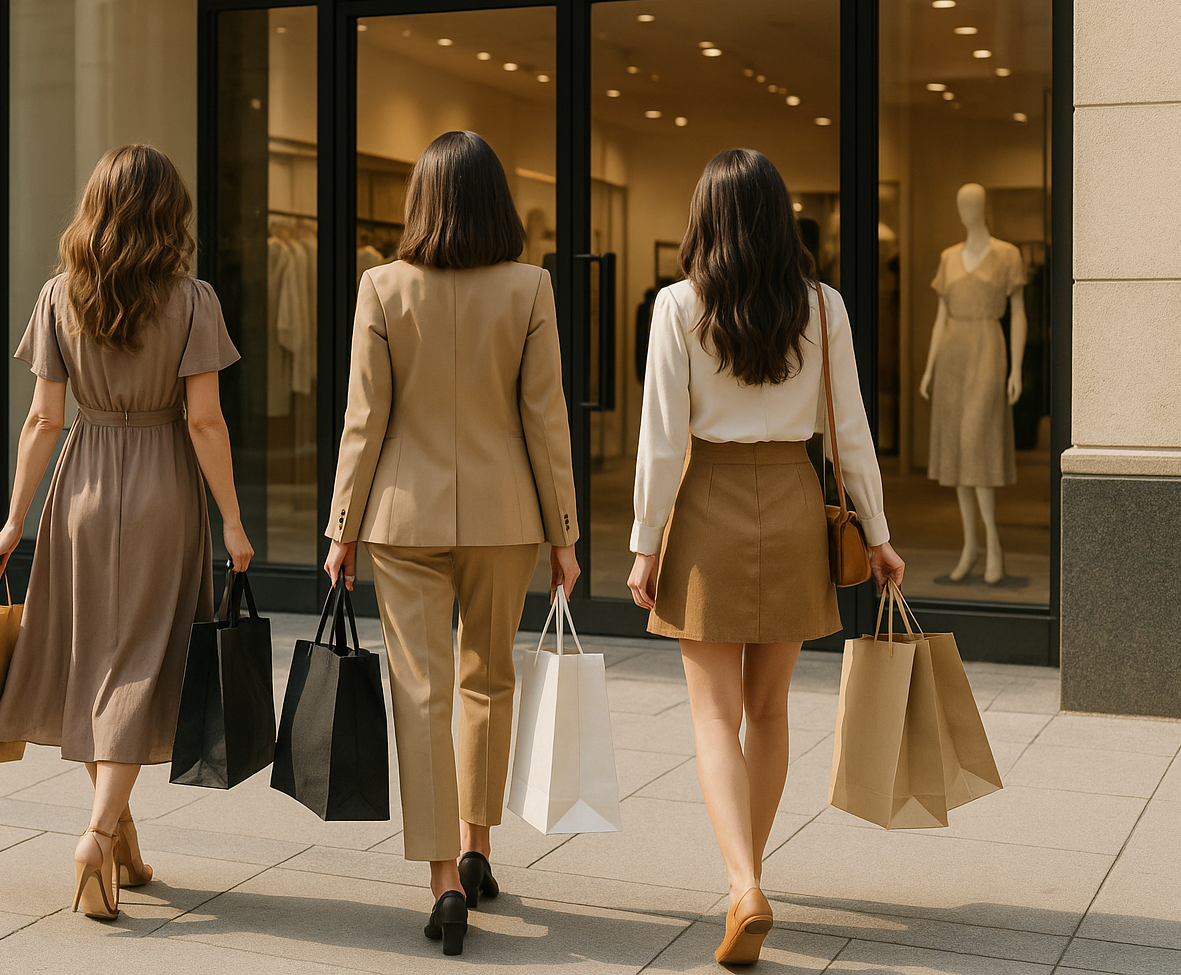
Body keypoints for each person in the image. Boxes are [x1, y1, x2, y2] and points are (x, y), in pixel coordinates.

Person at [626, 148, 904, 966]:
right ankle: (750, 878)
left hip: (706, 503)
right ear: (780, 219)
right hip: (791, 501)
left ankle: (743, 885)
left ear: (705, 218)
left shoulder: (678, 304)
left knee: (714, 713)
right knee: (770, 708)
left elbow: (660, 439)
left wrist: (644, 544)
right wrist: (878, 533)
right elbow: (850, 431)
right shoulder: (823, 305)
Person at [323, 131, 580, 957]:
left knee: (422, 691)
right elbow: (546, 419)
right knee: (489, 678)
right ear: (497, 201)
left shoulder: (381, 286)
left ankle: (443, 880)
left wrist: (342, 527)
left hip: (404, 517)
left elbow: (364, 419)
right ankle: (477, 845)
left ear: (421, 202)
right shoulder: (531, 287)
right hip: (506, 517)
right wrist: (566, 535)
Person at [0, 144, 253, 921]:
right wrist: (233, 520)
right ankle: (99, 837)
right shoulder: (193, 300)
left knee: (91, 662)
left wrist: (14, 520)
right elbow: (204, 421)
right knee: (138, 665)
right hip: (164, 487)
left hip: (82, 488)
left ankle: (124, 845)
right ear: (170, 213)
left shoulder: (59, 294)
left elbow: (43, 419)